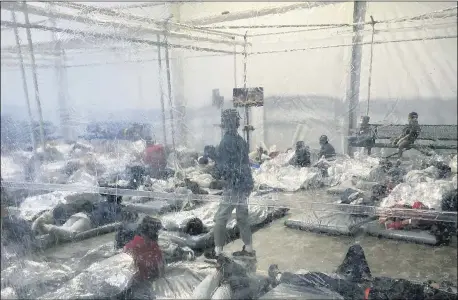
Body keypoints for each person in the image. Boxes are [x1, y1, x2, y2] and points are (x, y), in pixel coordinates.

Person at [205, 109, 255, 259]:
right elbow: (242, 162)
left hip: (234, 184)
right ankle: (248, 248)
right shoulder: (241, 141)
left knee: (221, 217)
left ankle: (218, 251)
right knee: (242, 216)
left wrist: (213, 157)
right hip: (245, 183)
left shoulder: (226, 141)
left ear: (225, 123)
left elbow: (223, 167)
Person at [32, 194, 123, 240]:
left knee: (66, 229)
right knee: (70, 232)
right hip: (88, 219)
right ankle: (49, 228)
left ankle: (45, 226)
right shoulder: (114, 208)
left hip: (80, 215)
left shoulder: (100, 204)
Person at [124, 216, 165, 280]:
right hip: (140, 282)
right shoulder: (134, 247)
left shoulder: (154, 246)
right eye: (156, 232)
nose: (157, 234)